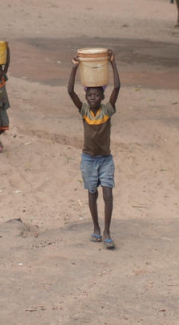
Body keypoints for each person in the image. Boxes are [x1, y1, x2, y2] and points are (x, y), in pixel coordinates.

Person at [67, 49, 121, 250]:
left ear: (102, 96)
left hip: (105, 159)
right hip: (89, 159)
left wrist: (113, 63)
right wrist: (74, 67)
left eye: (96, 95)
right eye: (89, 95)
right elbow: (70, 92)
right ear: (86, 96)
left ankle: (107, 231)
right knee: (92, 193)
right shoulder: (84, 111)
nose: (92, 98)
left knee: (108, 194)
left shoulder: (108, 110)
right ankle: (96, 227)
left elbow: (118, 87)